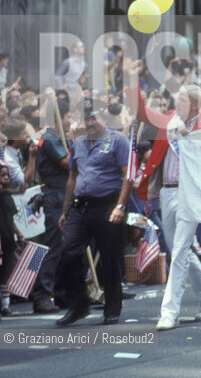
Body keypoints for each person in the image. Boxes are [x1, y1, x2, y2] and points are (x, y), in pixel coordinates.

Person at [125, 64, 201, 331]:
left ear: (195, 106)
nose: (176, 101)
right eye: (176, 98)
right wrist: (133, 80)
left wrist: (195, 140)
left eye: (182, 99)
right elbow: (141, 112)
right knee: (180, 249)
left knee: (177, 252)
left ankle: (169, 312)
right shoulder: (168, 120)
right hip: (166, 191)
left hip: (189, 193)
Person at [56, 100, 132, 327]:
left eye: (94, 118)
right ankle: (79, 306)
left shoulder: (118, 140)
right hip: (80, 207)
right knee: (68, 252)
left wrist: (120, 206)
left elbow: (128, 176)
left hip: (107, 205)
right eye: (86, 118)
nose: (90, 122)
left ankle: (112, 309)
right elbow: (72, 177)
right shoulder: (78, 142)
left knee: (109, 258)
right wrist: (65, 210)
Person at [31, 97, 73, 313]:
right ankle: (41, 295)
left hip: (65, 196)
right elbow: (66, 162)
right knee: (53, 247)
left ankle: (63, 293)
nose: (71, 121)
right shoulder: (49, 138)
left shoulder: (66, 138)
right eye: (68, 117)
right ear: (59, 118)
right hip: (54, 196)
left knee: (68, 247)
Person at [0, 161, 24, 317]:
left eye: (8, 175)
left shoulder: (7, 197)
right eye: (3, 176)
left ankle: (6, 306)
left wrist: (19, 234)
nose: (6, 178)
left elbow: (10, 220)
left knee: (6, 273)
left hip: (8, 239)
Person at [2, 116, 37, 193]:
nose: (28, 135)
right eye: (24, 134)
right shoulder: (8, 159)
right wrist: (32, 156)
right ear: (15, 138)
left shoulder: (16, 149)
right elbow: (25, 182)